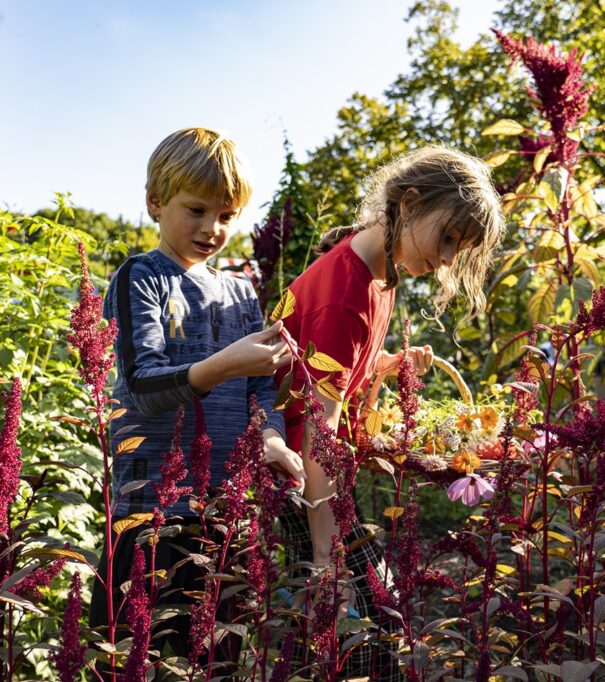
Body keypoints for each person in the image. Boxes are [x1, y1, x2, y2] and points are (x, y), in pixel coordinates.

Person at [279, 146, 505, 680]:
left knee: (381, 621)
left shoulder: (379, 275)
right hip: (291, 485)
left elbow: (331, 371)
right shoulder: (349, 291)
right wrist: (325, 558)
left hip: (318, 479)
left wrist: (385, 365)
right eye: (448, 236)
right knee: (365, 637)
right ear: (408, 202)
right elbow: (317, 428)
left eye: (461, 247)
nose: (449, 258)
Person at [89, 127, 305, 666]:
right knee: (121, 655)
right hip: (149, 515)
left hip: (225, 514)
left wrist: (272, 438)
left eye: (227, 215)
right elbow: (143, 387)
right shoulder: (142, 277)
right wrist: (226, 362)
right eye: (196, 209)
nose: (212, 228)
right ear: (155, 203)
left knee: (216, 659)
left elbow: (260, 389)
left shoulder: (239, 292)